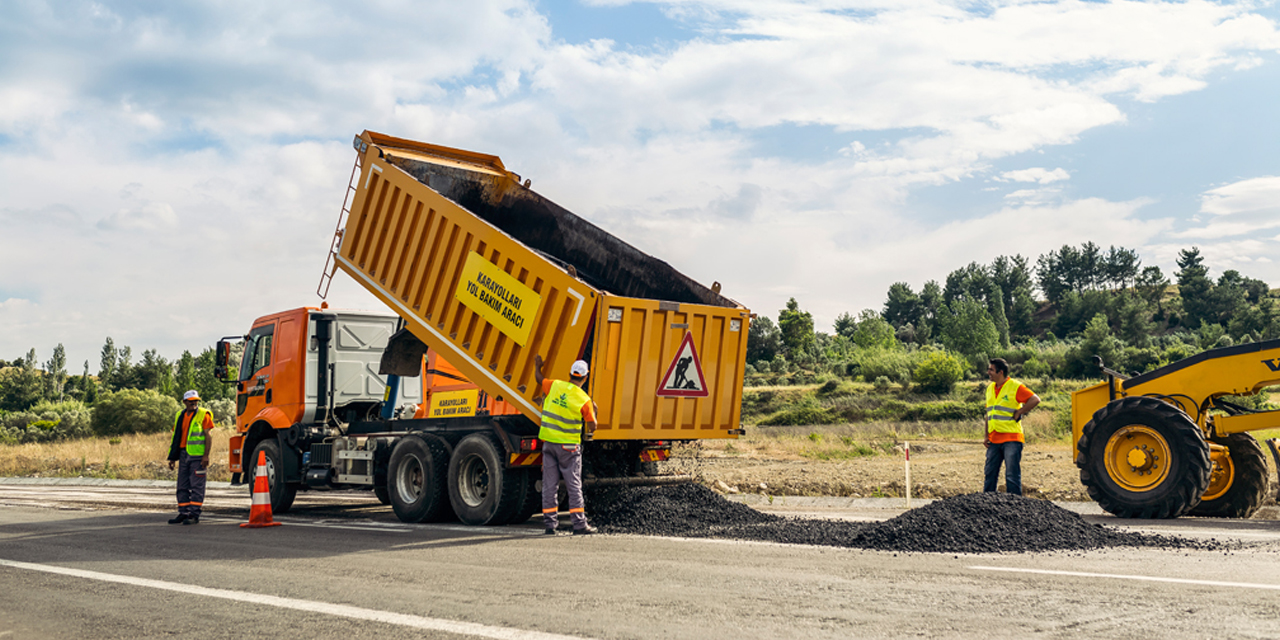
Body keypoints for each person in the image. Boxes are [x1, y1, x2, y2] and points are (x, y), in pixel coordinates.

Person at [533, 354, 598, 536]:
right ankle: (579, 525)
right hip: (568, 448)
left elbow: (539, 379)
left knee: (549, 485)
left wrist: (538, 366)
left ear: (570, 374)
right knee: (573, 485)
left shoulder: (554, 385)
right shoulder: (583, 399)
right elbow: (592, 426)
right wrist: (595, 412)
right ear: (584, 378)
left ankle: (550, 525)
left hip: (549, 445)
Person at [983, 358, 1039, 496]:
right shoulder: (990, 388)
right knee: (990, 473)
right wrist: (986, 435)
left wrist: (1020, 411)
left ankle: (1015, 506)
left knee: (1011, 475)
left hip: (1012, 439)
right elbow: (989, 414)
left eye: (991, 369)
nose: (988, 372)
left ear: (1000, 372)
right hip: (994, 439)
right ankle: (986, 503)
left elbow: (1035, 399)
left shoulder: (1015, 386)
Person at [168, 390, 214, 525]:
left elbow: (208, 436)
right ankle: (183, 513)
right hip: (183, 454)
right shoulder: (179, 415)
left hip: (197, 456)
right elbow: (175, 438)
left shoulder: (203, 415)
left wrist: (206, 455)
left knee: (197, 486)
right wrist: (172, 457)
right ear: (184, 402)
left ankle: (194, 514)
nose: (194, 403)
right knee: (182, 486)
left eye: (196, 400)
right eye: (191, 401)